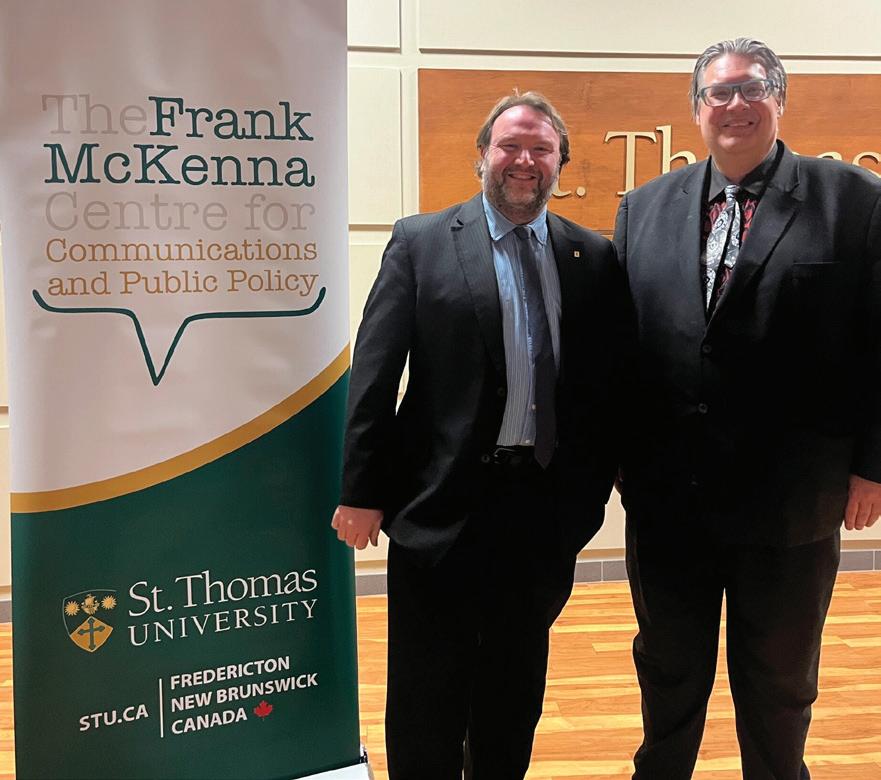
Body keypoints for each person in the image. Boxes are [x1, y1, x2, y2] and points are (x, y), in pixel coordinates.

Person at [332, 91, 630, 779]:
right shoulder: (421, 242)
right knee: (426, 692)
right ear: (482, 156)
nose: (524, 160)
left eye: (540, 149)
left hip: (544, 513)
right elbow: (375, 373)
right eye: (509, 146)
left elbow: (608, 384)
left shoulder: (591, 255)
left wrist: (597, 487)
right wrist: (361, 489)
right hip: (438, 507)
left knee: (512, 686)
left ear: (560, 163)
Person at [614, 37, 881, 779]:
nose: (734, 104)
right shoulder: (644, 208)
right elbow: (623, 351)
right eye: (718, 92)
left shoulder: (854, 200)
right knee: (667, 670)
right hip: (669, 499)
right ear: (696, 109)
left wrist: (873, 466)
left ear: (779, 99)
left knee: (779, 683)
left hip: (791, 497)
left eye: (751, 88)